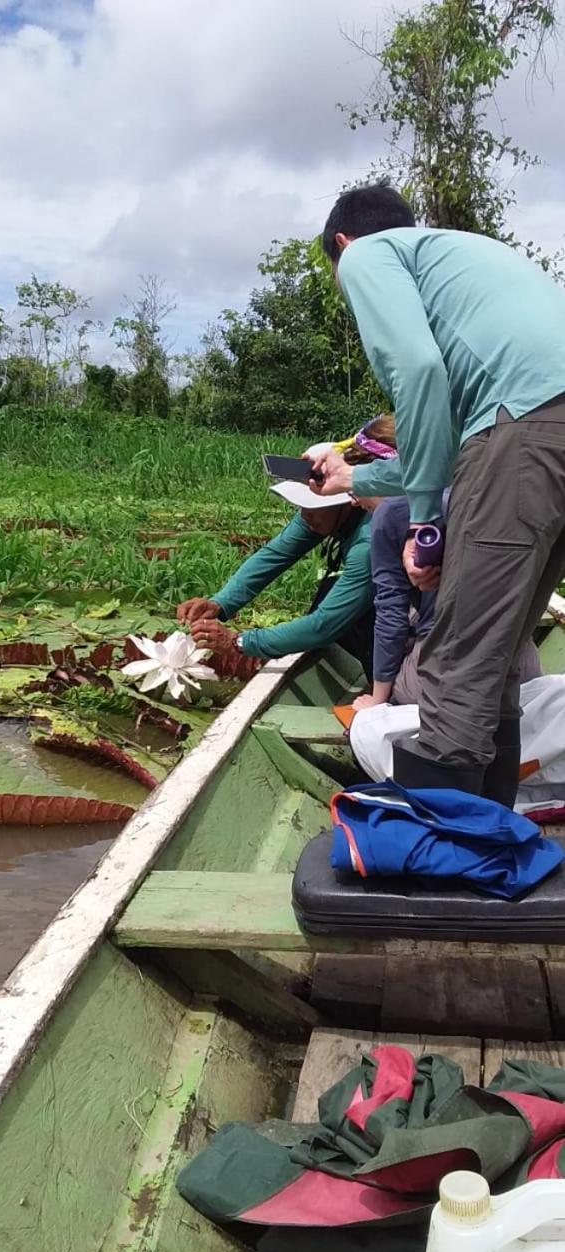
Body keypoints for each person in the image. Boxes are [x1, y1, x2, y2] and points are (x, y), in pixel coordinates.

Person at [310, 182, 565, 808]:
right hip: (538, 430)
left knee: (457, 655)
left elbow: (418, 373)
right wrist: (353, 479)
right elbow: (449, 456)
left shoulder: (368, 255)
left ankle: (443, 861)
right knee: (498, 649)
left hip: (524, 430)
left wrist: (427, 530)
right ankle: (491, 839)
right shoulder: (463, 259)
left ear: (342, 244)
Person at [176, 418, 397, 674]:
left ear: (349, 499)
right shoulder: (320, 511)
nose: (304, 515)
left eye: (312, 506)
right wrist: (220, 604)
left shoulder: (370, 541)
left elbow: (323, 626)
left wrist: (239, 641)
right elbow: (275, 554)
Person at [353, 494, 542, 719]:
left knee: (396, 694)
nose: (353, 500)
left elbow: (390, 619)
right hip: (522, 665)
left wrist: (377, 702)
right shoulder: (488, 493)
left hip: (449, 678)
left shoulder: (389, 513)